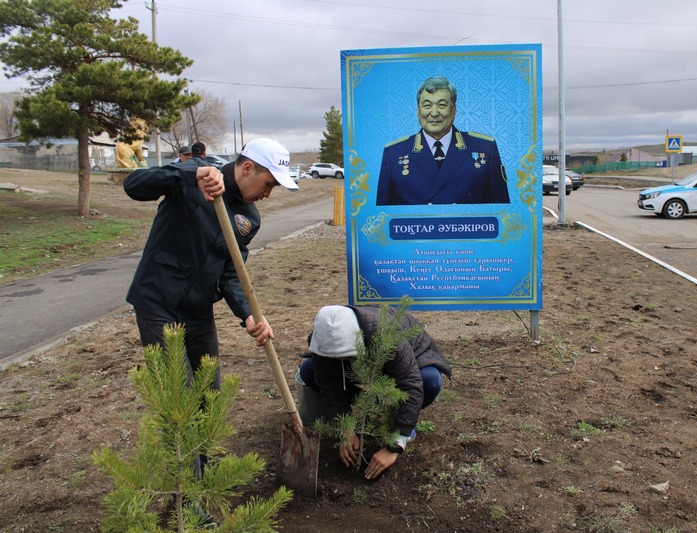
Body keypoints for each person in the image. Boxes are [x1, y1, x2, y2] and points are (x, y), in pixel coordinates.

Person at [125, 137, 299, 391]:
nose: (267, 194)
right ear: (248, 168)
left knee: (210, 393)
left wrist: (248, 313)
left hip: (199, 310)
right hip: (158, 302)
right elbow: (133, 185)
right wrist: (192, 174)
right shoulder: (196, 175)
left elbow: (231, 272)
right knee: (178, 395)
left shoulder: (249, 218)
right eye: (268, 184)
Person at [297, 305, 452, 480]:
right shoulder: (321, 339)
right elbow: (330, 387)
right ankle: (370, 410)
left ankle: (401, 424)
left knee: (430, 381)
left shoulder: (387, 334)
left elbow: (411, 383)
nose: (340, 360)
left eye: (346, 355)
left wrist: (395, 444)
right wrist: (345, 427)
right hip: (363, 366)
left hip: (411, 359)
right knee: (309, 370)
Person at [376, 76, 510, 205]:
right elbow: (383, 217)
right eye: (427, 106)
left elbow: (501, 211)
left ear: (454, 109)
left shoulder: (485, 148)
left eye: (442, 105)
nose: (434, 113)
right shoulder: (394, 153)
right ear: (418, 111)